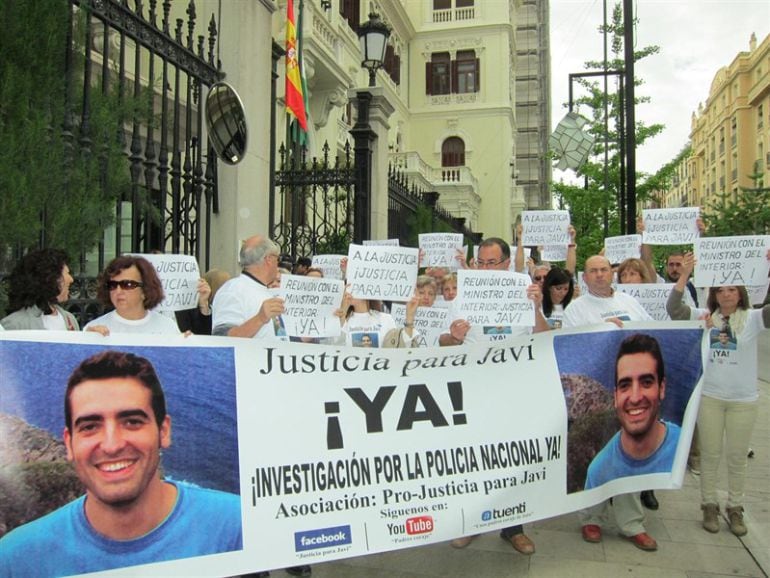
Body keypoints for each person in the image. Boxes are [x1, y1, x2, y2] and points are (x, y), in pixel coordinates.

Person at [0, 351, 242, 577]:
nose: (111, 445)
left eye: (132, 422)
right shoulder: (14, 561)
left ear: (164, 431)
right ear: (69, 443)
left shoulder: (238, 528)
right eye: (90, 427)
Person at [440, 237, 548, 556]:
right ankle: (470, 523)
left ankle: (513, 528)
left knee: (512, 458)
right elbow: (443, 344)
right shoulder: (462, 298)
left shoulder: (526, 294)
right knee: (472, 458)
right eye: (481, 263)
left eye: (492, 263)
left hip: (514, 391)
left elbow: (542, 340)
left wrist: (537, 309)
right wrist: (454, 337)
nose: (486, 269)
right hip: (474, 391)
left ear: (506, 263)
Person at [667, 251, 770, 536]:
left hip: (743, 400)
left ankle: (735, 507)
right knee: (710, 455)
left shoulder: (753, 318)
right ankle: (709, 504)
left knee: (737, 457)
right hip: (711, 398)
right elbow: (674, 309)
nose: (726, 295)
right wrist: (685, 274)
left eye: (732, 289)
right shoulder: (703, 317)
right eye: (721, 290)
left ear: (741, 294)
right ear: (714, 294)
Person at [562, 254, 658, 552]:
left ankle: (632, 523)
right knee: (596, 457)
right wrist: (602, 331)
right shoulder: (576, 309)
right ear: (585, 277)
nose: (600, 275)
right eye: (593, 271)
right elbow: (571, 347)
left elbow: (655, 334)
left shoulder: (630, 302)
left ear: (611, 273)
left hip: (630, 394)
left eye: (604, 269)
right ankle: (592, 517)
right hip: (595, 396)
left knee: (631, 455)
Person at [585, 334, 681, 488]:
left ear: (662, 388)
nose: (635, 398)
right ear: (616, 396)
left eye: (646, 383)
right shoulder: (598, 473)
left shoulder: (683, 449)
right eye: (625, 385)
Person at [212, 236, 286, 339]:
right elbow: (222, 339)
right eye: (277, 259)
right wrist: (260, 318)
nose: (278, 264)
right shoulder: (233, 290)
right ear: (269, 259)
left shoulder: (267, 290)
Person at [84, 256, 180, 335]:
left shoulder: (167, 328)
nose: (118, 291)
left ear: (145, 290)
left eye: (127, 285)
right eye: (112, 285)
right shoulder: (95, 329)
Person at [1, 248, 79, 331]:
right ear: (50, 278)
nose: (71, 279)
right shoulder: (15, 324)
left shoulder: (69, 320)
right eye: (67, 273)